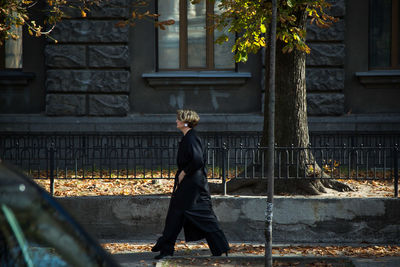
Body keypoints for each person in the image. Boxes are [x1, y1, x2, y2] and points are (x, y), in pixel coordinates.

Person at [151, 109, 230, 259]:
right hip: (191, 184)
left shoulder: (191, 138)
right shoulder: (188, 137)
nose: (176, 121)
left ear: (185, 122)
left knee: (198, 214)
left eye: (178, 119)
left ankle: (220, 247)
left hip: (193, 185)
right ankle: (166, 246)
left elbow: (197, 160)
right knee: (177, 214)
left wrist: (183, 172)